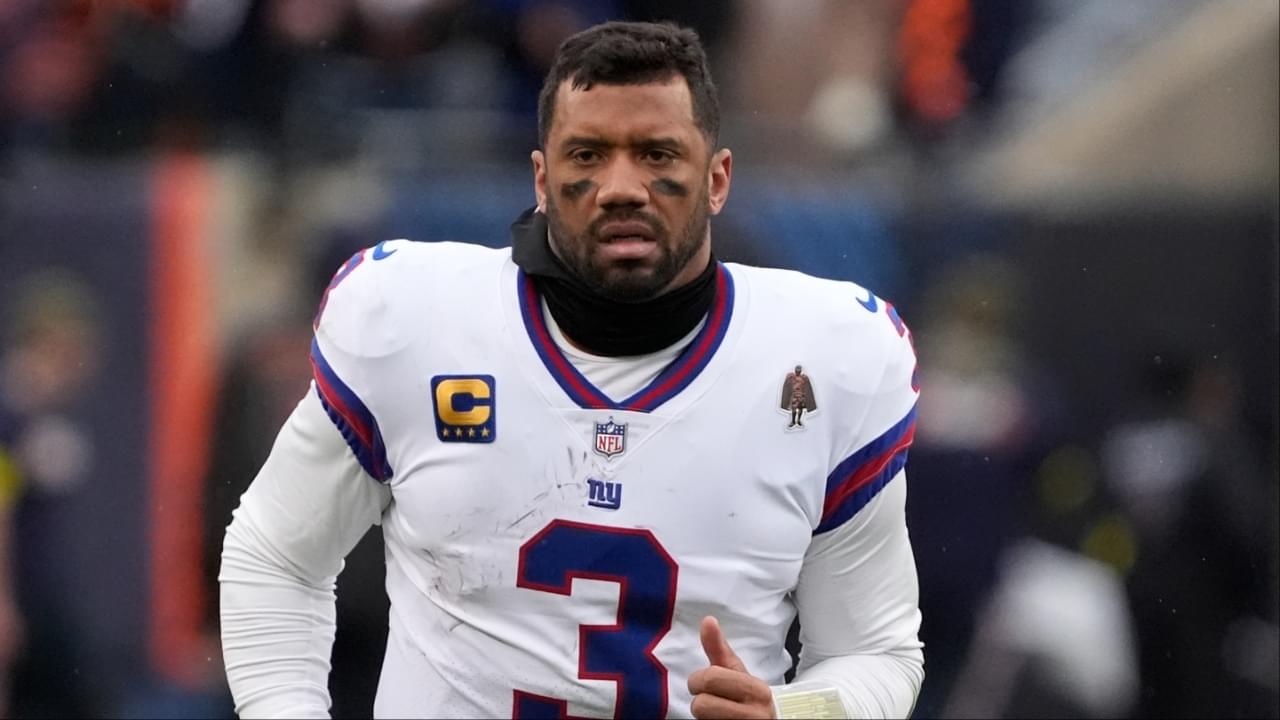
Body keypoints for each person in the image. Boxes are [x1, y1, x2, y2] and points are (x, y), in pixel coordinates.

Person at [220, 20, 924, 719]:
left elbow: (877, 653)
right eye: (586, 154)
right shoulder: (415, 320)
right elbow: (276, 557)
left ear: (717, 179)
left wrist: (791, 715)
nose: (620, 186)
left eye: (656, 154)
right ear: (541, 177)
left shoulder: (825, 361)